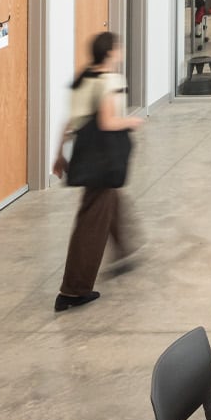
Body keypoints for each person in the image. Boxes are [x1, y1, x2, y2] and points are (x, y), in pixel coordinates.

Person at [51, 31, 142, 312]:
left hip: (85, 153)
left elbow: (71, 121)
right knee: (92, 220)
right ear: (111, 52)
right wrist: (131, 121)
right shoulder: (109, 80)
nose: (122, 51)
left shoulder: (84, 77)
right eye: (120, 47)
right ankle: (73, 290)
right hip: (102, 157)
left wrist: (59, 155)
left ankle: (124, 249)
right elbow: (107, 122)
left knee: (108, 201)